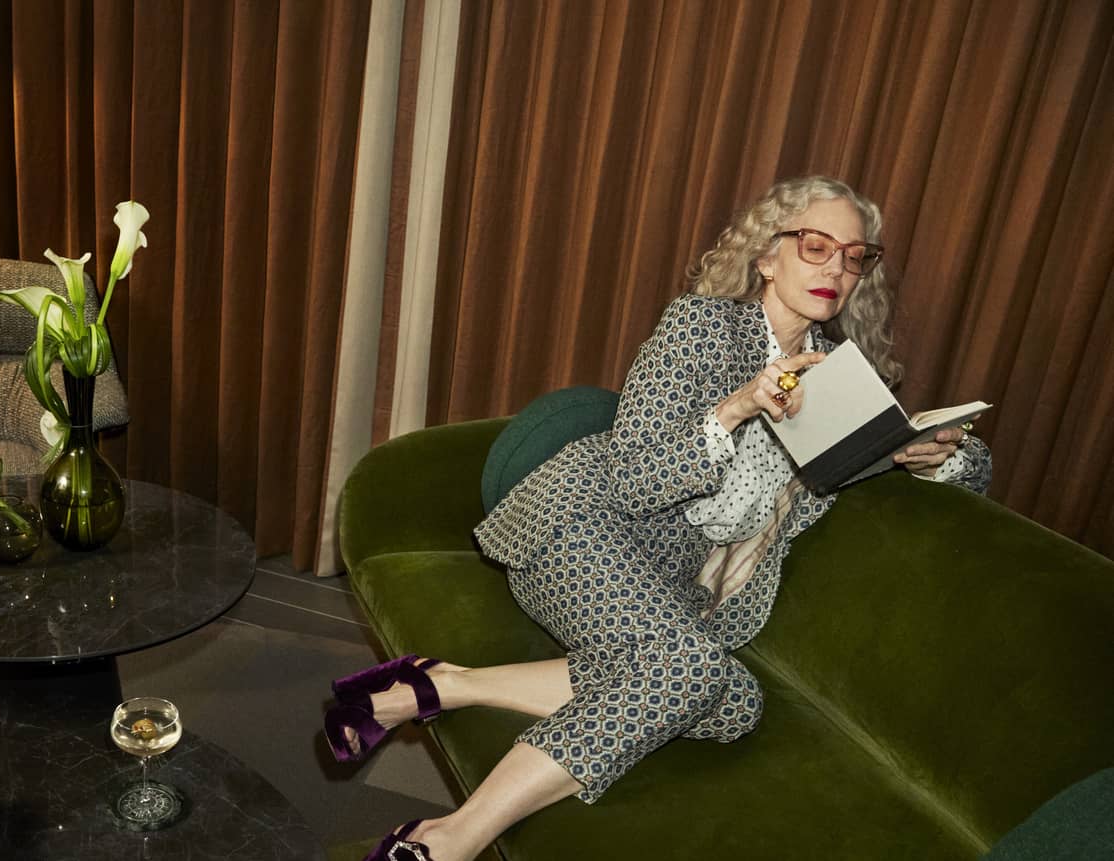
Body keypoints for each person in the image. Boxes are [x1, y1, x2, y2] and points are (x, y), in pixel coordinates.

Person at [323, 175, 992, 861]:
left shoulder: (840, 381)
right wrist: (734, 408)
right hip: (579, 529)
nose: (835, 267)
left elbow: (974, 472)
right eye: (816, 245)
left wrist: (935, 456)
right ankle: (446, 840)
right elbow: (631, 478)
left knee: (736, 705)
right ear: (768, 255)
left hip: (668, 587)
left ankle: (441, 682)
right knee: (689, 670)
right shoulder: (699, 325)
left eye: (855, 256)